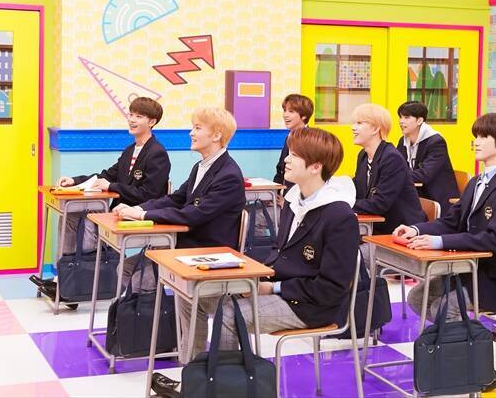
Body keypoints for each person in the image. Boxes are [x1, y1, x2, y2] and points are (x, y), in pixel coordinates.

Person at [151, 127, 359, 388]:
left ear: (316, 167)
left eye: (294, 155)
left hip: (311, 306)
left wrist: (272, 287)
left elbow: (331, 288)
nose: (286, 159)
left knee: (230, 314)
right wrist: (249, 276)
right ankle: (194, 381)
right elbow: (280, 256)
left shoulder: (339, 216)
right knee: (191, 296)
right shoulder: (294, 202)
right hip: (278, 288)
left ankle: (223, 389)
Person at [394, 113, 496, 321]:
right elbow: (451, 221)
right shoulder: (476, 181)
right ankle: (456, 337)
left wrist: (438, 242)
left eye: (483, 137)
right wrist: (416, 229)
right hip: (470, 267)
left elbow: (494, 239)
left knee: (444, 307)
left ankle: (464, 341)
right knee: (417, 297)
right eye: (476, 137)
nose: (476, 142)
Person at [30, 97, 170, 300]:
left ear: (152, 122)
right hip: (120, 211)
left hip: (139, 214)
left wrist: (112, 187)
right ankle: (65, 280)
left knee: (89, 217)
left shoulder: (157, 153)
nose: (132, 119)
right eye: (130, 114)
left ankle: (77, 279)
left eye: (139, 116)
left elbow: (149, 194)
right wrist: (75, 180)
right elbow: (107, 175)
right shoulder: (130, 150)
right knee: (71, 215)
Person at [115, 107, 245, 294]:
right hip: (185, 243)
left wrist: (144, 215)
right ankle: (145, 310)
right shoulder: (200, 166)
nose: (191, 133)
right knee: (126, 267)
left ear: (216, 136)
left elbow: (192, 215)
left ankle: (155, 310)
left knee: (140, 279)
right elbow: (176, 199)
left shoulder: (228, 175)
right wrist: (137, 208)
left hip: (205, 250)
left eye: (197, 128)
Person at [352, 103, 426, 235]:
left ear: (375, 129)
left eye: (359, 123)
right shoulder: (363, 156)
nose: (353, 128)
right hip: (378, 227)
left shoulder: (391, 158)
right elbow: (358, 189)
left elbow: (379, 204)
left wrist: (346, 202)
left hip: (401, 230)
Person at [396, 101, 459, 213]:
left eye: (406, 117)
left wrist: (395, 176)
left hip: (435, 198)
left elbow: (424, 175)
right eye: (400, 117)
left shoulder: (436, 142)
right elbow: (396, 167)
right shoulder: (403, 140)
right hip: (416, 194)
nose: (401, 121)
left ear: (419, 120)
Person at [273, 94, 313, 190]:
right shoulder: (289, 137)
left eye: (291, 111)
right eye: (284, 110)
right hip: (286, 194)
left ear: (304, 116)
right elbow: (280, 169)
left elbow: (309, 174)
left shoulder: (311, 140)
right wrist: (275, 192)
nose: (285, 115)